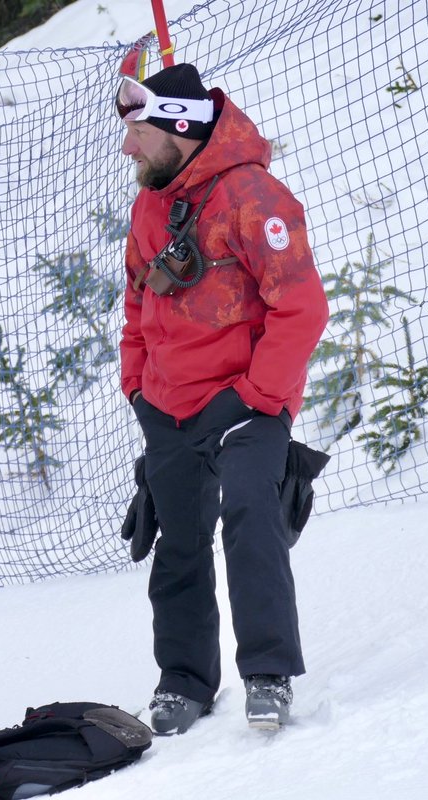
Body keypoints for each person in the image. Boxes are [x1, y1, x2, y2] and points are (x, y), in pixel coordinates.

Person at [113, 58, 329, 733]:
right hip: (169, 405)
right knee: (177, 541)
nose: (127, 147)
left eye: (138, 133)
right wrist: (138, 389)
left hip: (246, 402)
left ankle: (267, 674)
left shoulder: (253, 197)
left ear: (180, 127)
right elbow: (137, 299)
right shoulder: (152, 200)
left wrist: (260, 397)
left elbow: (303, 308)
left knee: (247, 515)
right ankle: (184, 681)